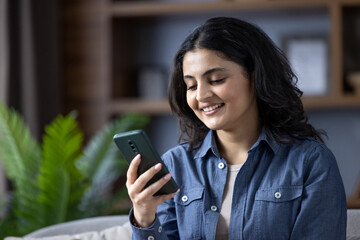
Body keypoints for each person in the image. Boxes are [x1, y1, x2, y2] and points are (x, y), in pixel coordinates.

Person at [126, 17, 347, 240]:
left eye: (216, 79)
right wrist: (144, 217)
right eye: (191, 85)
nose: (201, 96)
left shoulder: (311, 163)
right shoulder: (176, 165)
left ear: (255, 77)